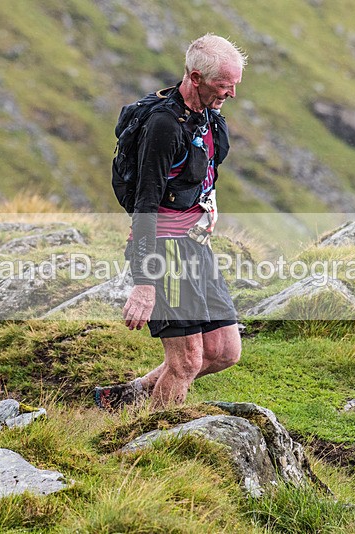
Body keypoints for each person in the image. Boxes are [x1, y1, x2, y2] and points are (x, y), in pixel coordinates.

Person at [94, 34, 247, 410]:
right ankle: (155, 442)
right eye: (222, 87)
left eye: (234, 86)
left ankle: (124, 398)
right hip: (163, 250)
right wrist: (145, 284)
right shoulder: (163, 126)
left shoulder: (208, 117)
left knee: (224, 351)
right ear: (195, 77)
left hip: (196, 246)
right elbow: (145, 206)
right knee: (187, 361)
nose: (230, 95)